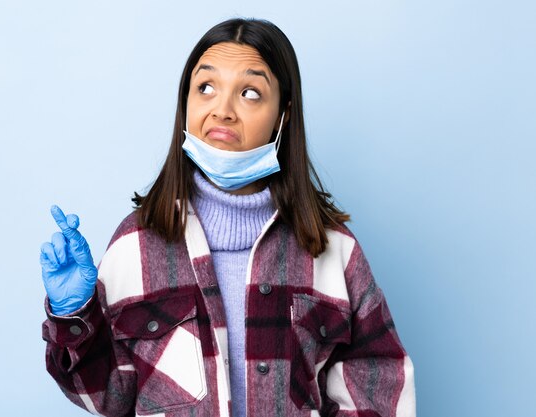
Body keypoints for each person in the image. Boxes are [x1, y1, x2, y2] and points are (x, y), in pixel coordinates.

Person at [40, 18, 416, 417]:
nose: (223, 110)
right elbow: (108, 398)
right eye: (205, 88)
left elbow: (380, 386)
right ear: (186, 103)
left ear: (283, 116)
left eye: (250, 93)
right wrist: (75, 317)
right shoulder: (135, 244)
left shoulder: (333, 249)